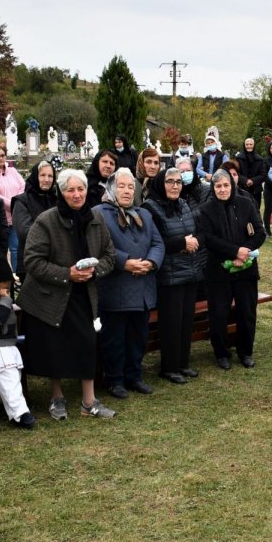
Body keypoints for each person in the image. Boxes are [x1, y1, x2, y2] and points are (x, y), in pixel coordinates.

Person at [17, 168, 117, 419]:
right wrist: (66, 273)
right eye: (70, 190)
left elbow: (109, 255)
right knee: (55, 348)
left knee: (87, 344)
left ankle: (89, 402)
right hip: (50, 295)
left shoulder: (95, 218)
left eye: (81, 189)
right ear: (61, 193)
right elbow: (32, 261)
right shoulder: (46, 220)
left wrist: (94, 272)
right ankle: (57, 398)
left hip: (84, 293)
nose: (77, 194)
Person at [94, 168, 164, 397]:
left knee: (138, 336)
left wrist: (150, 263)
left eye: (131, 187)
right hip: (116, 288)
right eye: (122, 186)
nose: (126, 190)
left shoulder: (143, 214)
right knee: (115, 338)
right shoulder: (99, 214)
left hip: (142, 287)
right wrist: (125, 263)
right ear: (112, 189)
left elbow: (157, 243)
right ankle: (114, 380)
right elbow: (100, 248)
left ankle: (134, 376)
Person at [198, 169, 267, 369]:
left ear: (232, 185)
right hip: (219, 270)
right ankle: (221, 353)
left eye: (226, 185)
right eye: (218, 186)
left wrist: (245, 253)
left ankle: (245, 351)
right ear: (213, 187)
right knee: (219, 313)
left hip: (246, 269)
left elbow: (259, 232)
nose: (222, 189)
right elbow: (209, 239)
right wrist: (234, 252)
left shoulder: (246, 204)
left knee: (247, 312)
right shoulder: (206, 209)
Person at [143, 167, 205, 384]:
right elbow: (153, 242)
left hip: (189, 271)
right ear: (161, 183)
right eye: (170, 181)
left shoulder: (183, 204)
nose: (175, 185)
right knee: (171, 323)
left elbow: (193, 231)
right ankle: (169, 367)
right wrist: (182, 243)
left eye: (178, 182)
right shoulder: (150, 208)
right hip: (168, 276)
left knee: (186, 321)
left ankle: (182, 363)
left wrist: (193, 241)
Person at [0, 255, 34, 428]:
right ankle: (21, 413)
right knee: (8, 379)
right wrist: (5, 300)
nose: (6, 287)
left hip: (7, 345)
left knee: (12, 379)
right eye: (2, 283)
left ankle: (17, 413)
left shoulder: (0, 298)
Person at [10, 160, 58, 282]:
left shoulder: (56, 200)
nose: (46, 179)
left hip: (55, 262)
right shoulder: (21, 201)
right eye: (42, 175)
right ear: (35, 176)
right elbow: (24, 232)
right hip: (30, 262)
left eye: (50, 176)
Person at [0, 144, 26, 271]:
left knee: (15, 248)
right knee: (1, 247)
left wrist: (18, 202)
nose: (0, 158)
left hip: (16, 216)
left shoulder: (13, 171)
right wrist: (14, 203)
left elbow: (22, 185)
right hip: (1, 217)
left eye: (2, 155)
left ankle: (16, 273)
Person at [234, 137, 267, 215]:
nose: (249, 146)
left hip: (256, 190)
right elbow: (235, 173)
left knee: (255, 211)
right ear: (244, 145)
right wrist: (245, 180)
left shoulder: (260, 159)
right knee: (241, 211)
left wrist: (252, 181)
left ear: (254, 145)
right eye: (247, 144)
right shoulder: (238, 158)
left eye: (251, 144)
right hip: (241, 188)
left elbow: (263, 174)